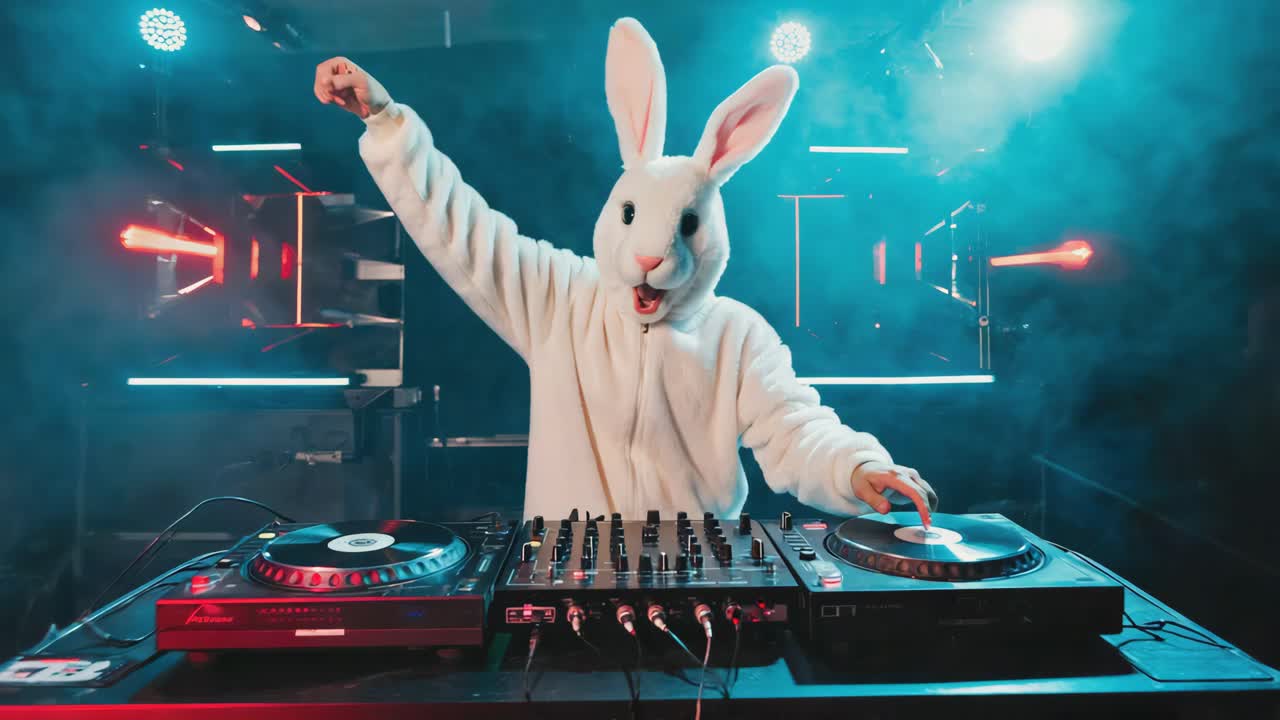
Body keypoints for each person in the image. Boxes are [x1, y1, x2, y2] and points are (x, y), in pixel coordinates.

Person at [313, 18, 938, 525]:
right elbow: (458, 226)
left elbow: (794, 429)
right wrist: (386, 122)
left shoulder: (738, 334)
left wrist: (855, 466)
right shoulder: (559, 297)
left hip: (696, 578)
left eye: (685, 226)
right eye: (634, 216)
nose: (651, 253)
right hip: (568, 576)